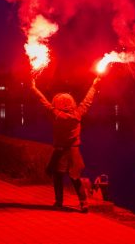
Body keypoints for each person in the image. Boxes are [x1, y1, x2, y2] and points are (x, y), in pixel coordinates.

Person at [31, 76, 101, 213]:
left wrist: (34, 88)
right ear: (71, 104)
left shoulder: (55, 114)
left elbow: (43, 102)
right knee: (76, 178)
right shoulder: (78, 114)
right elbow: (87, 101)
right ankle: (84, 203)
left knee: (58, 177)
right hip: (74, 151)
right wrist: (94, 85)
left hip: (60, 151)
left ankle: (59, 202)